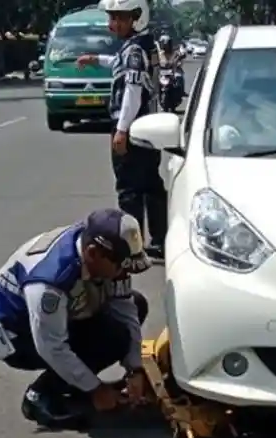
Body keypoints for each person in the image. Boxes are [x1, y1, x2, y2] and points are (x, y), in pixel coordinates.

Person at [0, 208, 152, 427]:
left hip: (60, 315)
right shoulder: (49, 284)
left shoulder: (98, 248)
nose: (124, 274)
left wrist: (134, 369)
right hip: (17, 335)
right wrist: (96, 389)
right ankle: (39, 395)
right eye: (121, 267)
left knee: (136, 306)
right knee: (114, 336)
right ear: (93, 253)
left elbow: (126, 309)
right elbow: (52, 347)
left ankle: (74, 382)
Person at [76, 0, 168, 262]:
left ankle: (132, 249)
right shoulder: (143, 45)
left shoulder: (134, 50)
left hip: (133, 128)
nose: (112, 24)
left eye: (119, 18)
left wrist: (122, 130)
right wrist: (96, 59)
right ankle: (160, 241)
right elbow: (122, 64)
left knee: (129, 191)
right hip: (147, 129)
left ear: (136, 18)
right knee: (151, 186)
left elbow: (132, 91)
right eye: (112, 17)